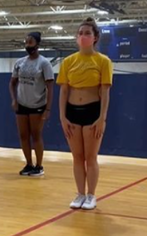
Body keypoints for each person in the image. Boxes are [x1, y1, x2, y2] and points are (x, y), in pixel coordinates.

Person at [58, 17, 113, 211]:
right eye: (80, 33)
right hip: (72, 112)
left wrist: (101, 118)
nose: (83, 36)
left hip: (93, 112)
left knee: (91, 157)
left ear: (95, 37)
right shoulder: (68, 61)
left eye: (87, 33)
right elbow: (64, 91)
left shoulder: (103, 61)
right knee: (77, 157)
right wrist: (63, 117)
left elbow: (105, 91)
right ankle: (80, 193)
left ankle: (91, 195)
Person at [10, 32, 54, 178]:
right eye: (26, 42)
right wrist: (14, 99)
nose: (28, 45)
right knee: (23, 135)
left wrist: (48, 108)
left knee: (36, 135)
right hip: (22, 103)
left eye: (30, 42)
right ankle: (28, 164)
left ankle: (39, 166)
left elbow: (50, 87)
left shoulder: (44, 63)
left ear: (37, 44)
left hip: (37, 104)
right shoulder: (19, 62)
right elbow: (12, 83)